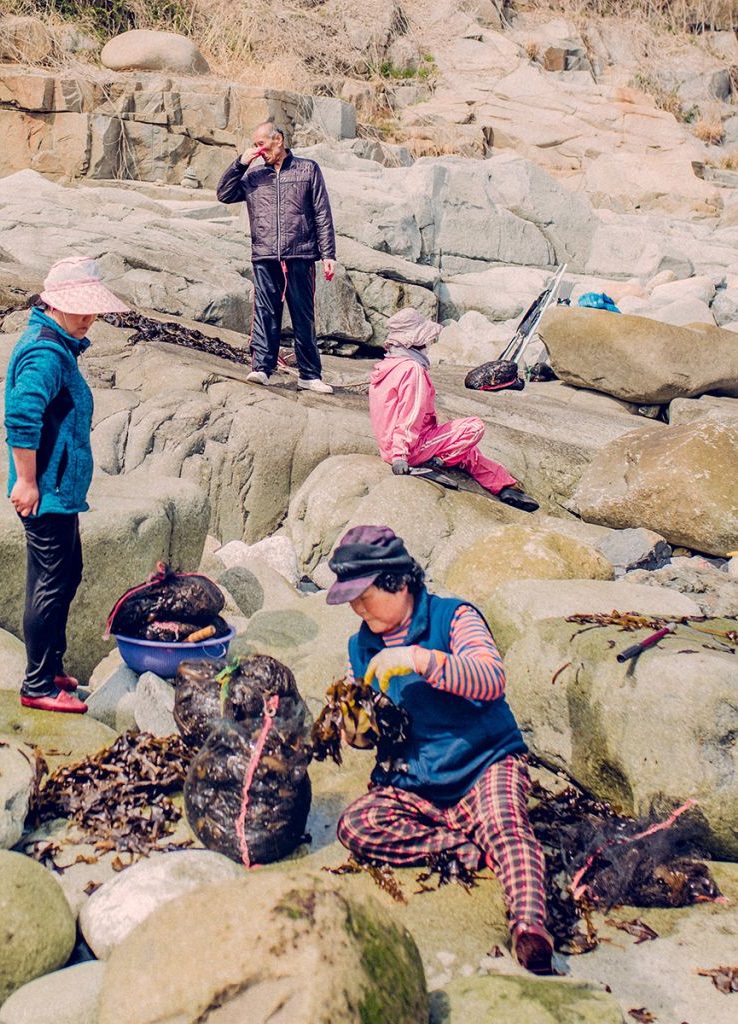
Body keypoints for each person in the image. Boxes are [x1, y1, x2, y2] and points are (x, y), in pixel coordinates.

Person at [327, 525, 554, 974]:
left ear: (400, 582)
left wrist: (418, 659)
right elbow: (379, 730)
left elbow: (491, 678)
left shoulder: (455, 618)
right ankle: (467, 846)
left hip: (484, 764)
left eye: (363, 594)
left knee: (508, 826)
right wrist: (358, 732)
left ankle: (529, 927)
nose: (355, 605)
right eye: (349, 596)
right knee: (356, 825)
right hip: (416, 782)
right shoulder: (360, 645)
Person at [4, 256, 129, 713]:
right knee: (50, 583)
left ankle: (51, 665)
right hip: (46, 494)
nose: (89, 316)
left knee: (66, 574)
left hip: (61, 492)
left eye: (93, 308)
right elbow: (21, 415)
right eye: (80, 307)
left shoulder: (59, 344)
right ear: (54, 303)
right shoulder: (45, 352)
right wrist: (27, 481)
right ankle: (37, 684)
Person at [369, 307, 539, 511]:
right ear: (417, 342)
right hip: (408, 449)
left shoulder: (389, 365)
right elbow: (409, 416)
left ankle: (505, 486)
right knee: (473, 427)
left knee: (468, 452)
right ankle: (437, 461)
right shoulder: (412, 370)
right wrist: (400, 456)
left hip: (393, 445)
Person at [216, 119, 336, 394]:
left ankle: (309, 374)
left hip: (301, 253)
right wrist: (240, 163)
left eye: (261, 144)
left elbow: (322, 213)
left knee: (303, 315)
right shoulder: (254, 176)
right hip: (265, 254)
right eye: (255, 146)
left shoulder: (308, 169)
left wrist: (328, 253)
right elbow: (224, 193)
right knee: (265, 313)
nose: (258, 151)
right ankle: (262, 368)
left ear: (278, 140)